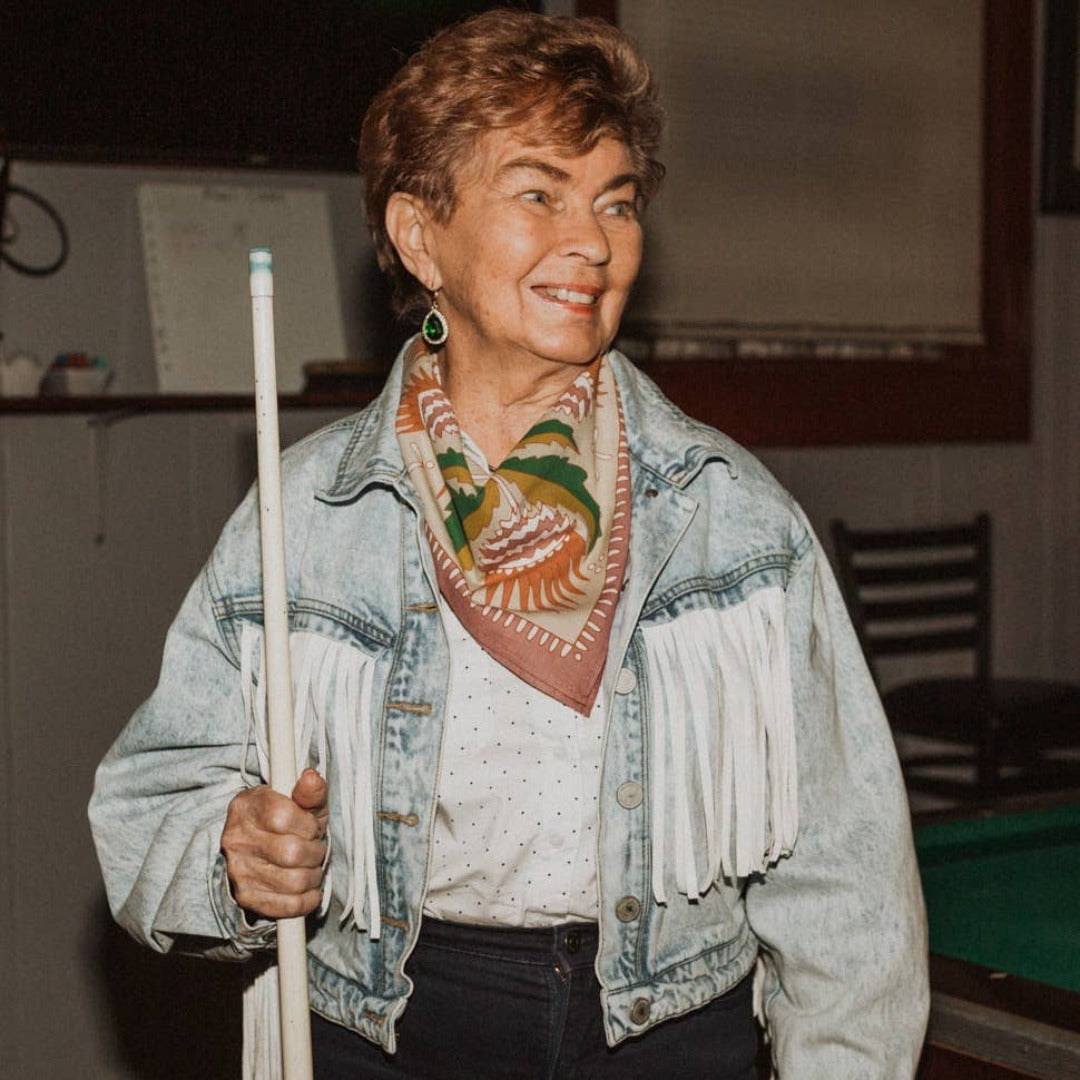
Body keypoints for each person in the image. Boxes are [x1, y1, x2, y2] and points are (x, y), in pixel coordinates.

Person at [89, 10, 929, 1078]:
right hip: (389, 1032)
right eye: (539, 194)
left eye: (615, 201)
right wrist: (232, 854)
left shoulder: (730, 513)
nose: (593, 241)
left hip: (671, 1034)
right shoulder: (307, 517)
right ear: (418, 234)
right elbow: (148, 805)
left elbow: (846, 884)